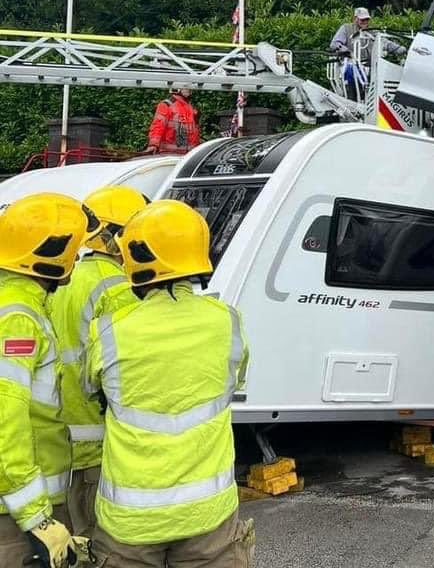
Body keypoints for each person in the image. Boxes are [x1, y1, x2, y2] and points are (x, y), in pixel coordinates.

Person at [84, 200, 253, 567]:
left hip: (129, 523)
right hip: (209, 517)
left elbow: (89, 389)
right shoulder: (229, 322)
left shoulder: (110, 330)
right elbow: (234, 381)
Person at [47, 185, 145, 537]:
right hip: (98, 444)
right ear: (117, 236)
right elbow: (129, 373)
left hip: (54, 438)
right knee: (96, 541)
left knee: (63, 540)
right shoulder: (118, 288)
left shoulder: (61, 277)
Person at [0, 192, 90, 568]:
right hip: (16, 514)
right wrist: (36, 517)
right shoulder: (19, 318)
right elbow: (6, 419)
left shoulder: (14, 303)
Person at [146, 85, 200, 154]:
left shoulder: (191, 107)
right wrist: (153, 144)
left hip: (188, 155)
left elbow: (194, 132)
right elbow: (158, 125)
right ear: (177, 89)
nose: (189, 90)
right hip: (168, 154)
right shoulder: (167, 105)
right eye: (186, 87)